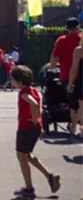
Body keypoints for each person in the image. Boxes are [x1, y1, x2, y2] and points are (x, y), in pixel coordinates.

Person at [10, 65, 61, 197]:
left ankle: (29, 187)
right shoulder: (33, 90)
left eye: (13, 81)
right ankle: (49, 176)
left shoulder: (24, 93)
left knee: (21, 157)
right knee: (27, 155)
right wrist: (37, 120)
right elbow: (36, 104)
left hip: (26, 128)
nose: (12, 83)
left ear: (19, 82)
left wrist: (33, 118)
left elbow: (33, 104)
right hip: (34, 128)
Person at [49, 17, 82, 137]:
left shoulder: (61, 40)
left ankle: (74, 127)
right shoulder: (81, 39)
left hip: (66, 75)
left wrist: (51, 67)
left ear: (67, 28)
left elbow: (54, 60)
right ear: (78, 27)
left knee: (74, 104)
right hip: (81, 74)